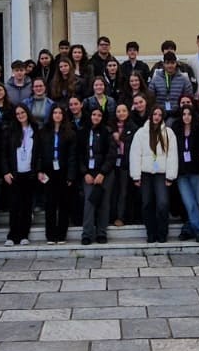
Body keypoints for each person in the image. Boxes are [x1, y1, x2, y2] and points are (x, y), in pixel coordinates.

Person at [131, 104, 179, 242]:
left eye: (159, 114)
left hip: (161, 173)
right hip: (145, 173)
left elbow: (172, 155)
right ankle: (151, 233)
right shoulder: (141, 132)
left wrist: (170, 175)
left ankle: (162, 232)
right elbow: (135, 154)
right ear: (150, 116)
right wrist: (136, 175)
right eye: (154, 114)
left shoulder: (168, 133)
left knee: (162, 203)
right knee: (147, 203)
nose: (157, 117)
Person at [35, 103, 76, 244]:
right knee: (50, 204)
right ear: (51, 115)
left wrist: (71, 175)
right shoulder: (43, 132)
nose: (57, 115)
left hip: (63, 171)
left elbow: (72, 156)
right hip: (48, 171)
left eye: (60, 112)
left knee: (63, 204)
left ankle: (61, 234)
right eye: (55, 112)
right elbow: (39, 153)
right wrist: (39, 170)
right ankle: (51, 235)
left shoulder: (69, 133)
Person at [76, 106, 117, 245]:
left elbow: (111, 155)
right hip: (88, 173)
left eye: (99, 115)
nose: (96, 117)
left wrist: (102, 173)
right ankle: (87, 234)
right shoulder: (82, 132)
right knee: (89, 202)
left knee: (104, 203)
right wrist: (85, 173)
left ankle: (101, 233)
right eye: (94, 114)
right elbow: (79, 156)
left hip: (104, 173)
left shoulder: (107, 132)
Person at [171, 103, 199, 242]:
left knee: (195, 202)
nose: (186, 117)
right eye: (184, 114)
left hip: (195, 170)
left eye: (189, 114)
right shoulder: (176, 130)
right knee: (189, 201)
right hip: (181, 172)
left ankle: (188, 229)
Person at [2, 103, 38, 246]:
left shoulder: (35, 130)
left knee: (26, 206)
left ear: (27, 113)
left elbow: (38, 152)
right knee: (14, 206)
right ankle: (12, 235)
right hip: (14, 174)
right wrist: (5, 172)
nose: (20, 115)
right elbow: (4, 153)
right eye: (17, 114)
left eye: (22, 112)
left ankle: (24, 234)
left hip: (29, 173)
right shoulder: (10, 131)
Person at [108, 101, 136, 228]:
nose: (121, 113)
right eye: (118, 111)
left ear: (128, 112)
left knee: (124, 191)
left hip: (126, 163)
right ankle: (111, 216)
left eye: (124, 111)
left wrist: (120, 138)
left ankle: (121, 217)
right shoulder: (110, 128)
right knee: (113, 190)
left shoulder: (133, 128)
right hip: (113, 163)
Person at [149, 51, 192, 120]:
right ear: (163, 64)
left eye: (172, 63)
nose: (170, 66)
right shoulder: (156, 79)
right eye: (167, 63)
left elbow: (189, 98)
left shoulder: (184, 79)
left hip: (178, 115)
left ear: (176, 63)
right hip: (159, 115)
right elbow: (150, 98)